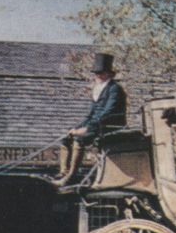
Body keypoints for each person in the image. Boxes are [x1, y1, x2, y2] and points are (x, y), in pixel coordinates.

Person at [52, 53, 127, 186]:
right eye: (96, 73)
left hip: (109, 125)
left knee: (79, 139)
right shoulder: (97, 89)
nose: (98, 76)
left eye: (101, 73)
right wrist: (76, 127)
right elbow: (91, 114)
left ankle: (71, 176)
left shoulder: (114, 89)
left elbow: (108, 113)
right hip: (96, 124)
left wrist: (87, 128)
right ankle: (63, 172)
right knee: (65, 137)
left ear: (109, 74)